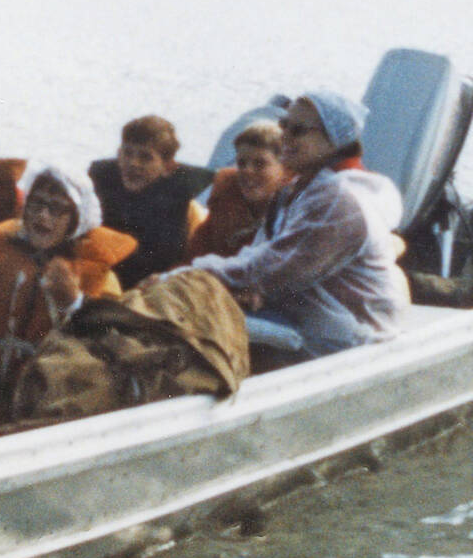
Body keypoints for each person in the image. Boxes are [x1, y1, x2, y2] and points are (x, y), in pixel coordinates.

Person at [186, 90, 408, 362]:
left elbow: (269, 270)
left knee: (188, 323)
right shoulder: (301, 189)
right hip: (309, 320)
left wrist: (186, 276)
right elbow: (261, 255)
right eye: (284, 126)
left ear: (333, 139)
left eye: (299, 130)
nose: (285, 137)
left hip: (350, 340)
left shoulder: (338, 200)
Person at [0, 165, 137, 396]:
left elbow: (109, 348)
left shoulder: (101, 278)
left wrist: (72, 303)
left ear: (76, 219)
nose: (43, 215)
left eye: (57, 209)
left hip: (50, 398)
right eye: (37, 203)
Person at [88, 115, 213, 282]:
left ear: (168, 167)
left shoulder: (177, 199)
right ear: (118, 153)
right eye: (127, 153)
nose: (133, 163)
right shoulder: (100, 181)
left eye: (145, 157)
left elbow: (162, 259)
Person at [186, 120, 293, 259]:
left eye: (260, 164)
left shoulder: (297, 208)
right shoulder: (224, 199)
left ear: (284, 167)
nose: (247, 170)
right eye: (242, 163)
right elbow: (192, 258)